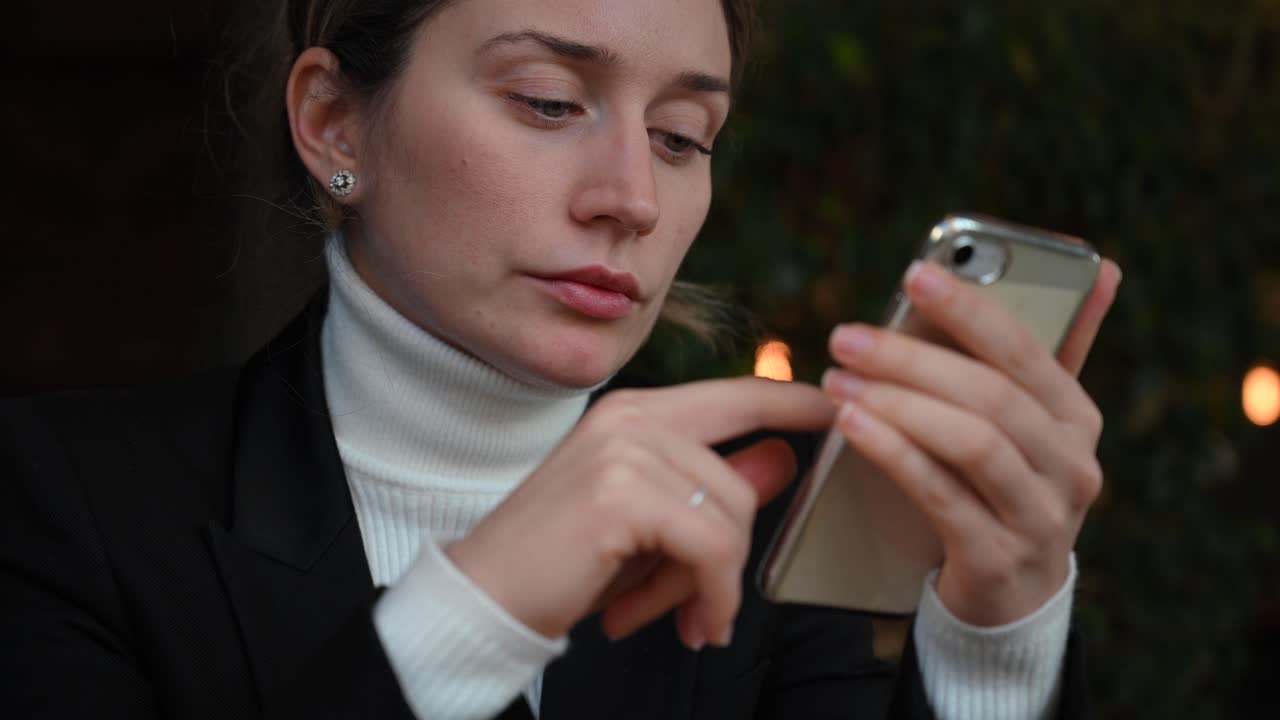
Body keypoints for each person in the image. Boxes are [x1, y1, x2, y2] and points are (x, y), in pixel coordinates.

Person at [0, 1, 1122, 718]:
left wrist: (993, 650)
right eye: (547, 102)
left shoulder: (765, 528)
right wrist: (472, 612)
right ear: (336, 123)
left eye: (682, 137)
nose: (630, 198)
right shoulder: (63, 503)